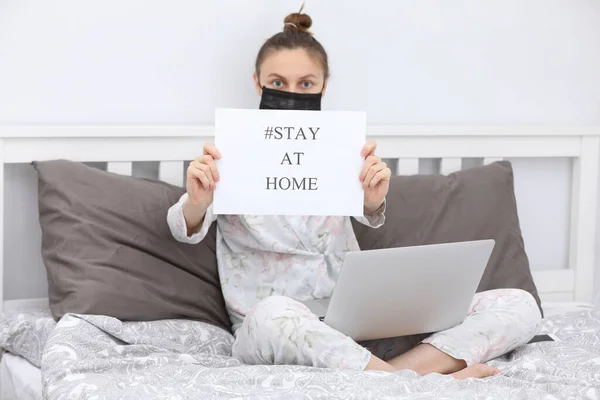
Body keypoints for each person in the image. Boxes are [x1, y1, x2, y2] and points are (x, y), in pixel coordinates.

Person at [167, 9, 542, 379]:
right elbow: (183, 226)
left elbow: (370, 212)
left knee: (520, 305)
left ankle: (396, 376)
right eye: (277, 83)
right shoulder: (231, 150)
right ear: (257, 82)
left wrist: (372, 198)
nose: (292, 93)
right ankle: (426, 379)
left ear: (324, 85)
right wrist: (197, 201)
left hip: (360, 327)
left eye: (306, 83)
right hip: (282, 330)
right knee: (271, 314)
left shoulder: (341, 149)